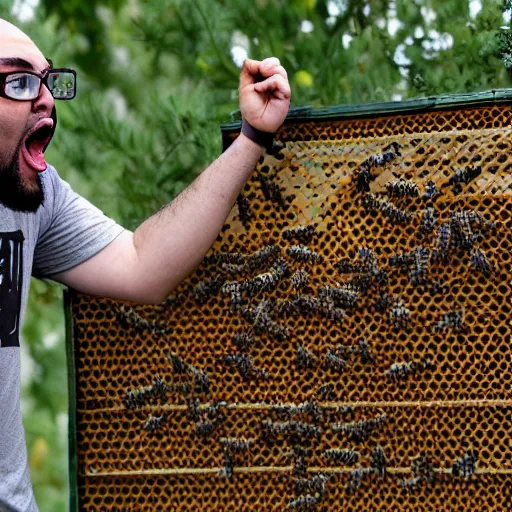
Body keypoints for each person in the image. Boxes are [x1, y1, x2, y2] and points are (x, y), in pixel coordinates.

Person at [0, 18, 291, 512]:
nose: (45, 99)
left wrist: (251, 138)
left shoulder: (34, 197)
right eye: (19, 81)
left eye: (48, 81)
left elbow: (142, 263)